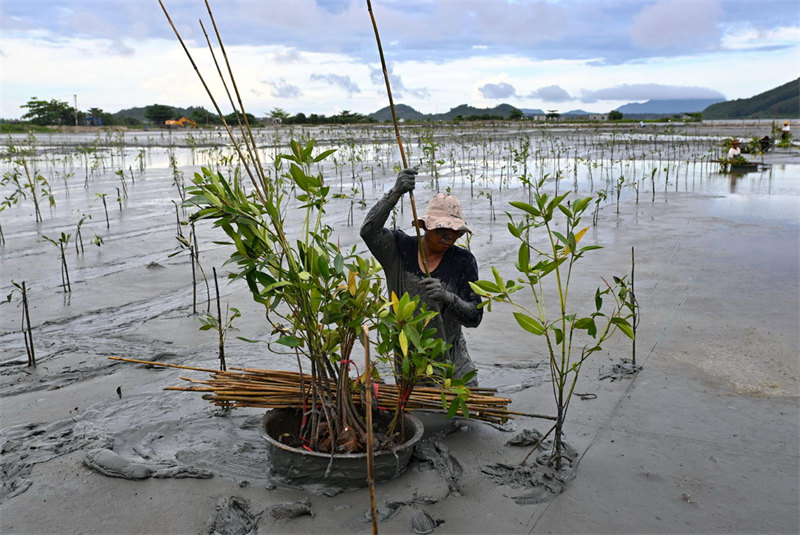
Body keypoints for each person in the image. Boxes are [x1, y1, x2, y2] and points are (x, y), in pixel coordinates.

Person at [360, 168, 482, 385]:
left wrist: (447, 298)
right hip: (410, 362)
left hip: (452, 360)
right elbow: (368, 231)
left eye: (454, 231)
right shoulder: (398, 248)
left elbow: (474, 318)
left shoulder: (463, 261)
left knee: (468, 415)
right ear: (425, 226)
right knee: (416, 413)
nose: (449, 235)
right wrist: (395, 193)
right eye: (441, 228)